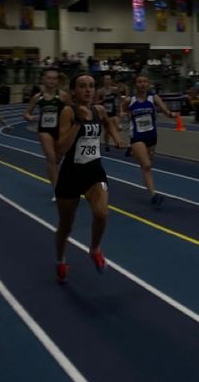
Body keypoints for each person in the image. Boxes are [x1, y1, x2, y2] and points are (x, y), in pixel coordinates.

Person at [54, 74, 125, 283]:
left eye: (91, 86)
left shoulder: (99, 109)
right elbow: (61, 149)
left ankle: (94, 248)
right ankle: (60, 260)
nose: (88, 90)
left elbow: (108, 122)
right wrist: (78, 122)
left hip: (94, 172)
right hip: (71, 174)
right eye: (83, 86)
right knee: (66, 226)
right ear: (74, 91)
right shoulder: (68, 112)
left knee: (102, 213)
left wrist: (116, 137)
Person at [122, 74, 177, 209]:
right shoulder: (130, 100)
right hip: (137, 136)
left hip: (151, 136)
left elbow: (164, 110)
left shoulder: (154, 98)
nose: (142, 84)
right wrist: (124, 115)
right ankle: (153, 195)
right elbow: (122, 108)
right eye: (140, 82)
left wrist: (171, 115)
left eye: (145, 82)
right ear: (136, 84)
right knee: (146, 165)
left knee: (147, 166)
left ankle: (135, 154)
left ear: (148, 84)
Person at [24, 69, 70, 198]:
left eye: (54, 78)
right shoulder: (38, 97)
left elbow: (72, 111)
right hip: (44, 130)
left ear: (57, 80)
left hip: (60, 130)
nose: (52, 81)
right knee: (50, 158)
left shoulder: (63, 96)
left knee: (57, 158)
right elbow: (26, 113)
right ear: (44, 80)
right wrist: (31, 117)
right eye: (49, 78)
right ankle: (57, 189)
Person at [97, 73, 120, 151]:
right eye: (106, 79)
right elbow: (97, 102)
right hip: (105, 113)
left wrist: (119, 108)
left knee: (117, 127)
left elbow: (119, 98)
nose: (107, 81)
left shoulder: (114, 89)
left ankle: (116, 141)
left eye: (109, 79)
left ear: (111, 81)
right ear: (103, 81)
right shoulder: (100, 91)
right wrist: (102, 100)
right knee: (107, 130)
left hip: (113, 112)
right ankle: (107, 144)